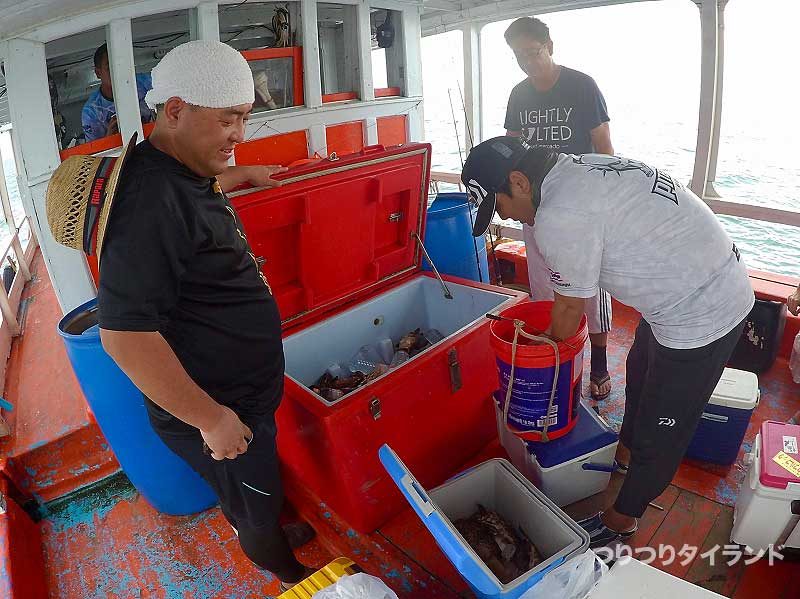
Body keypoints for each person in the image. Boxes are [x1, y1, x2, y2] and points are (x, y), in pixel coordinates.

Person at [47, 41, 314, 591]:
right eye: (228, 120)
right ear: (175, 110)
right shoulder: (147, 203)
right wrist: (211, 420)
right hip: (219, 407)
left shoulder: (170, 164)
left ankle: (260, 527)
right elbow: (124, 336)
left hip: (235, 396)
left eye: (244, 118)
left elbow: (203, 188)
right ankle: (286, 571)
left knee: (247, 491)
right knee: (254, 503)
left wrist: (249, 174)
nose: (240, 133)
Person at [462, 137, 754, 548]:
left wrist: (536, 379)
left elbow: (567, 315)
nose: (506, 217)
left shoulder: (559, 216)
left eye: (500, 205)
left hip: (705, 309)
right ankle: (625, 457)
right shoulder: (573, 167)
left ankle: (622, 518)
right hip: (678, 291)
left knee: (662, 424)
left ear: (518, 181)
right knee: (638, 372)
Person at [503, 17, 615, 400]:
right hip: (536, 206)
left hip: (581, 207)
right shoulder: (519, 95)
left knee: (591, 287)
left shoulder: (582, 86)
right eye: (519, 56)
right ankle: (557, 356)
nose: (527, 63)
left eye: (532, 53)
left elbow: (604, 145)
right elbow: (511, 149)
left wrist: (606, 198)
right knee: (543, 283)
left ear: (549, 45)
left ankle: (598, 363)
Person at [81, 43, 155, 142]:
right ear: (98, 73)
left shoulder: (148, 82)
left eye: (121, 65)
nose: (118, 72)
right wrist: (110, 137)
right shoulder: (91, 112)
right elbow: (96, 152)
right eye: (110, 68)